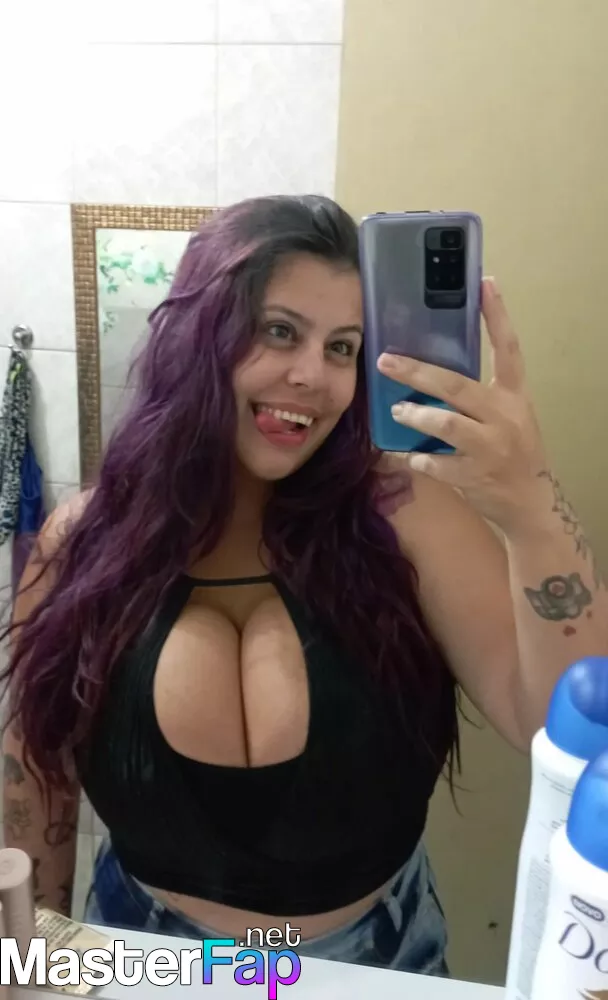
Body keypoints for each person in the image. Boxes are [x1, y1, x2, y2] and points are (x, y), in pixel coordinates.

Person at [2, 195, 606, 976]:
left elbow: (563, 724)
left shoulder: (407, 517)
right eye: (281, 331)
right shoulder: (84, 543)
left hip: (379, 963)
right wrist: (28, 966)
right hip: (144, 957)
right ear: (200, 336)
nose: (313, 376)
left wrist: (530, 508)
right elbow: (35, 786)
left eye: (342, 347)